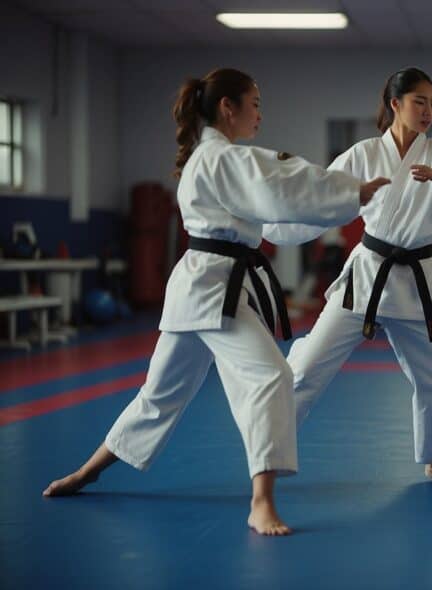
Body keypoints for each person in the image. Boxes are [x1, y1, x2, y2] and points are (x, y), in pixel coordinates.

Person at [42, 67, 389, 536]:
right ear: (229, 107)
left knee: (160, 394)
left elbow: (274, 202)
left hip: (204, 287)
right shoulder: (221, 159)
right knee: (270, 377)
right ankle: (260, 502)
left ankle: (88, 472)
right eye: (255, 103)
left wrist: (345, 198)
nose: (260, 114)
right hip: (211, 291)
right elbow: (280, 180)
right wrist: (350, 190)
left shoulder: (215, 160)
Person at [264, 67, 432, 486]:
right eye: (419, 101)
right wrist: (275, 228)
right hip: (367, 276)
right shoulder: (363, 154)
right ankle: (269, 449)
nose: (428, 111)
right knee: (307, 368)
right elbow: (325, 200)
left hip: (418, 282)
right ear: (396, 104)